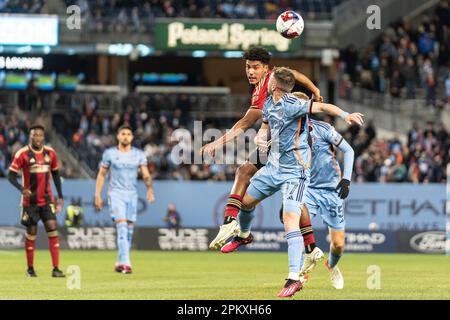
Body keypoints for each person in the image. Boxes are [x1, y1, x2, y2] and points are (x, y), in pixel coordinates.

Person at [220, 68, 364, 297]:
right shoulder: (268, 103)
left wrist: (345, 115)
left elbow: (324, 108)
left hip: (300, 177)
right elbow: (266, 125)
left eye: (270, 80)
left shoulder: (307, 117)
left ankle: (298, 276)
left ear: (275, 85)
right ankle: (245, 235)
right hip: (275, 169)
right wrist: (260, 138)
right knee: (246, 203)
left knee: (325, 238)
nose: (266, 82)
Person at [201, 47, 324, 268]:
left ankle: (233, 224)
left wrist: (217, 143)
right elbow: (296, 75)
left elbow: (244, 124)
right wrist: (314, 88)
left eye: (255, 67)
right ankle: (308, 246)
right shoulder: (269, 82)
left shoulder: (268, 87)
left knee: (280, 196)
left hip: (292, 150)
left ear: (265, 68)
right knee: (248, 177)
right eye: (247, 67)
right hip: (276, 145)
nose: (250, 71)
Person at [95, 125, 155, 274]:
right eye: (123, 134)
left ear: (132, 137)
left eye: (129, 134)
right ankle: (127, 263)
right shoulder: (109, 154)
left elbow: (146, 174)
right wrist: (97, 194)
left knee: (128, 231)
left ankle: (119, 261)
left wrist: (150, 189)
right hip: (116, 194)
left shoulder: (139, 154)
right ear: (118, 136)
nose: (126, 136)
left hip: (132, 195)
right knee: (121, 227)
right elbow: (102, 174)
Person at [7, 124, 65, 278]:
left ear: (43, 137)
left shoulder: (50, 153)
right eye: (35, 135)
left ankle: (56, 268)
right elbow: (10, 175)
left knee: (53, 230)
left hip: (47, 200)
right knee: (31, 233)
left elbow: (56, 175)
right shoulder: (22, 154)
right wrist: (21, 188)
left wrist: (60, 196)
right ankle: (30, 269)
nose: (38, 138)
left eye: (40, 135)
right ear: (30, 136)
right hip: (30, 202)